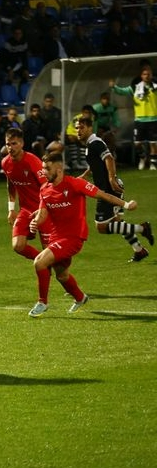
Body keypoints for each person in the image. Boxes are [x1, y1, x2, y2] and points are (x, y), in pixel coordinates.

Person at [27, 152, 142, 318]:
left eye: (47, 168)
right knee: (62, 275)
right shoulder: (44, 189)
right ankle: (80, 298)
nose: (43, 172)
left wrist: (126, 204)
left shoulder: (76, 184)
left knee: (39, 262)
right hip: (56, 236)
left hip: (74, 237)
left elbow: (104, 195)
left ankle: (42, 302)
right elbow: (42, 214)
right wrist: (35, 222)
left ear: (59, 170)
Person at [75, 117, 153, 262]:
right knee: (117, 222)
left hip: (108, 189)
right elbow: (96, 163)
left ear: (90, 128)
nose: (78, 131)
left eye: (81, 128)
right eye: (77, 128)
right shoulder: (91, 144)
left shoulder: (95, 143)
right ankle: (139, 250)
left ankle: (143, 229)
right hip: (109, 187)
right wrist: (85, 175)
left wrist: (111, 179)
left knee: (101, 227)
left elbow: (109, 158)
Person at [2, 128, 52, 262]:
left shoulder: (32, 162)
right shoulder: (5, 163)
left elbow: (47, 187)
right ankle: (42, 262)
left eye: (14, 144)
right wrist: (11, 209)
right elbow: (11, 184)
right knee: (18, 245)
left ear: (22, 143)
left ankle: (47, 264)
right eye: (8, 144)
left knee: (51, 252)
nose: (10, 147)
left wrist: (42, 210)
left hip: (44, 210)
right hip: (26, 210)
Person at [110, 65, 157, 170]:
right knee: (137, 144)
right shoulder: (136, 87)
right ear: (141, 76)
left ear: (152, 75)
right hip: (140, 120)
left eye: (149, 74)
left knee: (153, 144)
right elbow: (123, 91)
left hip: (153, 119)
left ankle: (153, 164)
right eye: (145, 74)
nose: (147, 76)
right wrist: (114, 87)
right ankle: (142, 157)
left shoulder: (155, 86)